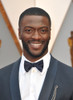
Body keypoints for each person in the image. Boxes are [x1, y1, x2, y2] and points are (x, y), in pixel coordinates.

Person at [0, 7, 73, 100]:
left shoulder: (70, 77)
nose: (36, 37)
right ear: (19, 33)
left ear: (50, 33)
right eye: (29, 30)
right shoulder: (2, 77)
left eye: (43, 30)